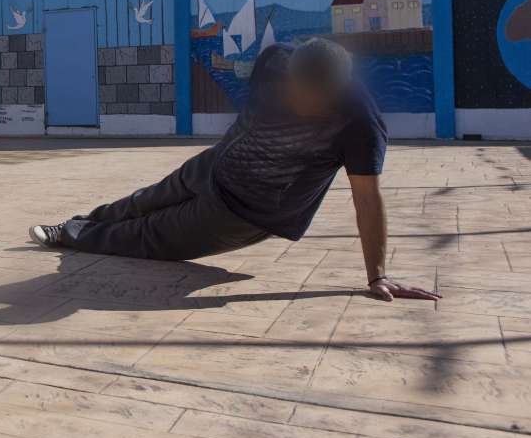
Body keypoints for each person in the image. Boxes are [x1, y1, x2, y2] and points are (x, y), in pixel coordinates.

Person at [30, 39, 441, 303]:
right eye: (297, 92)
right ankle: (78, 222)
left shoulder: (360, 121)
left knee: (146, 236)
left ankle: (68, 235)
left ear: (338, 91)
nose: (302, 104)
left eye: (315, 100)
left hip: (244, 213)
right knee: (141, 201)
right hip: (214, 163)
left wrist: (378, 276)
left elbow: (366, 197)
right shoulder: (274, 59)